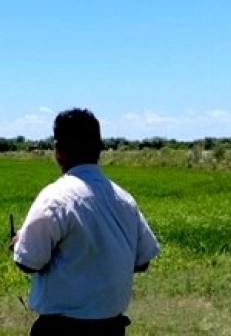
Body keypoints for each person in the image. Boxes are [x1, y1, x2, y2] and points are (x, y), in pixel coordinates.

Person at [10, 107, 160, 335]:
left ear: (58, 150)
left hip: (61, 329)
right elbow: (142, 261)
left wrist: (18, 241)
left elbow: (28, 262)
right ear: (99, 150)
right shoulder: (124, 199)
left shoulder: (55, 198)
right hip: (112, 327)